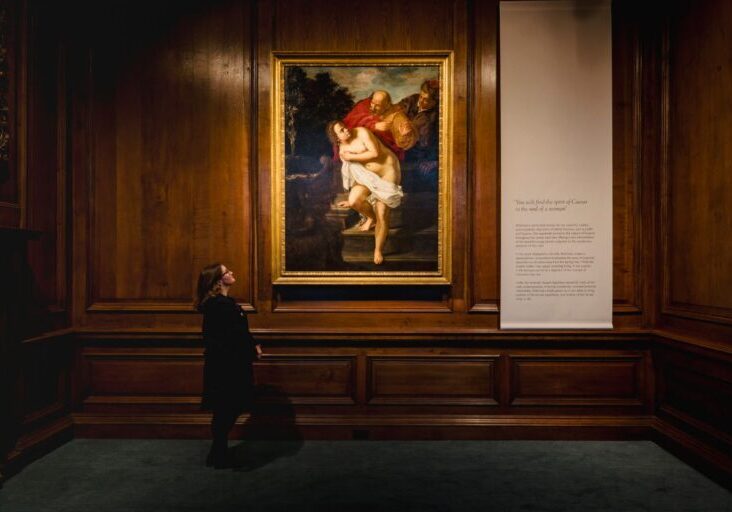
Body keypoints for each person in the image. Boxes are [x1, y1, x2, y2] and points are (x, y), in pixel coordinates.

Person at [194, 263, 262, 468]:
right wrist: (251, 348)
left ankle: (218, 452)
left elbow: (237, 332)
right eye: (227, 272)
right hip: (228, 365)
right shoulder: (219, 305)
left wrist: (252, 345)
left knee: (226, 408)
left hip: (228, 363)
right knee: (228, 407)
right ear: (218, 280)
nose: (232, 272)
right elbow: (231, 336)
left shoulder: (223, 303)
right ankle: (218, 451)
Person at [327, 120, 403, 265]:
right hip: (369, 177)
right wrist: (351, 200)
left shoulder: (362, 132)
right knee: (355, 200)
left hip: (388, 172)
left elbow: (375, 153)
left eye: (344, 127)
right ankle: (371, 218)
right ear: (337, 138)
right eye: (341, 131)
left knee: (382, 212)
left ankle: (378, 250)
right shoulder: (342, 150)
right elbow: (354, 171)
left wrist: (352, 156)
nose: (346, 130)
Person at [342, 90, 417, 160]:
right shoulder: (364, 105)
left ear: (387, 106)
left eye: (377, 105)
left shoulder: (397, 116)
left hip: (382, 155)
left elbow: (403, 143)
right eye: (372, 103)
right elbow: (349, 122)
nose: (373, 108)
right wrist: (373, 126)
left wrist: (405, 135)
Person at [398, 79, 440, 162]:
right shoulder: (412, 99)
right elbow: (396, 111)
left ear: (435, 102)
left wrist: (411, 132)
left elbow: (428, 144)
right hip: (398, 141)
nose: (421, 101)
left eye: (426, 100)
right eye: (421, 96)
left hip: (415, 154)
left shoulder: (435, 117)